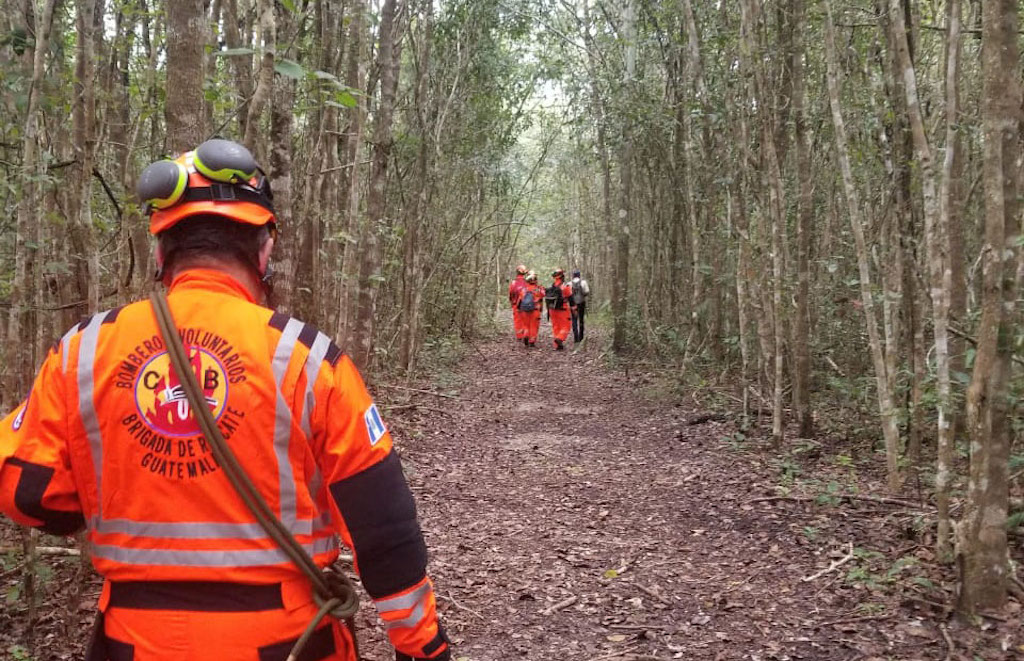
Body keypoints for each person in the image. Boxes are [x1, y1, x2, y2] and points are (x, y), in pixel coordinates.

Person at [0, 139, 451, 661]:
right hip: (286, 641)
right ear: (265, 250)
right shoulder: (305, 357)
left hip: (132, 640)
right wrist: (422, 647)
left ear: (159, 251)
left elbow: (27, 491)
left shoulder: (83, 352)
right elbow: (384, 527)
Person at [545, 269, 575, 351]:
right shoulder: (565, 287)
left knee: (556, 327)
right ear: (562, 276)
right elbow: (571, 299)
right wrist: (574, 309)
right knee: (566, 326)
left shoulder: (551, 287)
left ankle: (557, 346)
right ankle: (559, 338)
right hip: (563, 310)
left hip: (552, 310)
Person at [517, 271, 546, 348]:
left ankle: (526, 335)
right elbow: (544, 294)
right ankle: (532, 341)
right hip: (535, 310)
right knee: (534, 326)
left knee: (526, 325)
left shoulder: (524, 289)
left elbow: (519, 300)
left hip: (524, 310)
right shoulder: (538, 289)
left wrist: (518, 309)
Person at [508, 264, 528, 343]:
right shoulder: (527, 282)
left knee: (517, 320)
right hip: (525, 305)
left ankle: (519, 336)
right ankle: (525, 334)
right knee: (525, 320)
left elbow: (510, 293)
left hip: (515, 304)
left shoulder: (513, 283)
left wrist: (511, 302)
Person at [570, 269, 590, 343]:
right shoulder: (583, 282)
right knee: (581, 319)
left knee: (574, 320)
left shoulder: (570, 283)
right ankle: (581, 337)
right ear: (579, 275)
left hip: (573, 304)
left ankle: (576, 338)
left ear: (573, 275)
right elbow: (587, 291)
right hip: (581, 303)